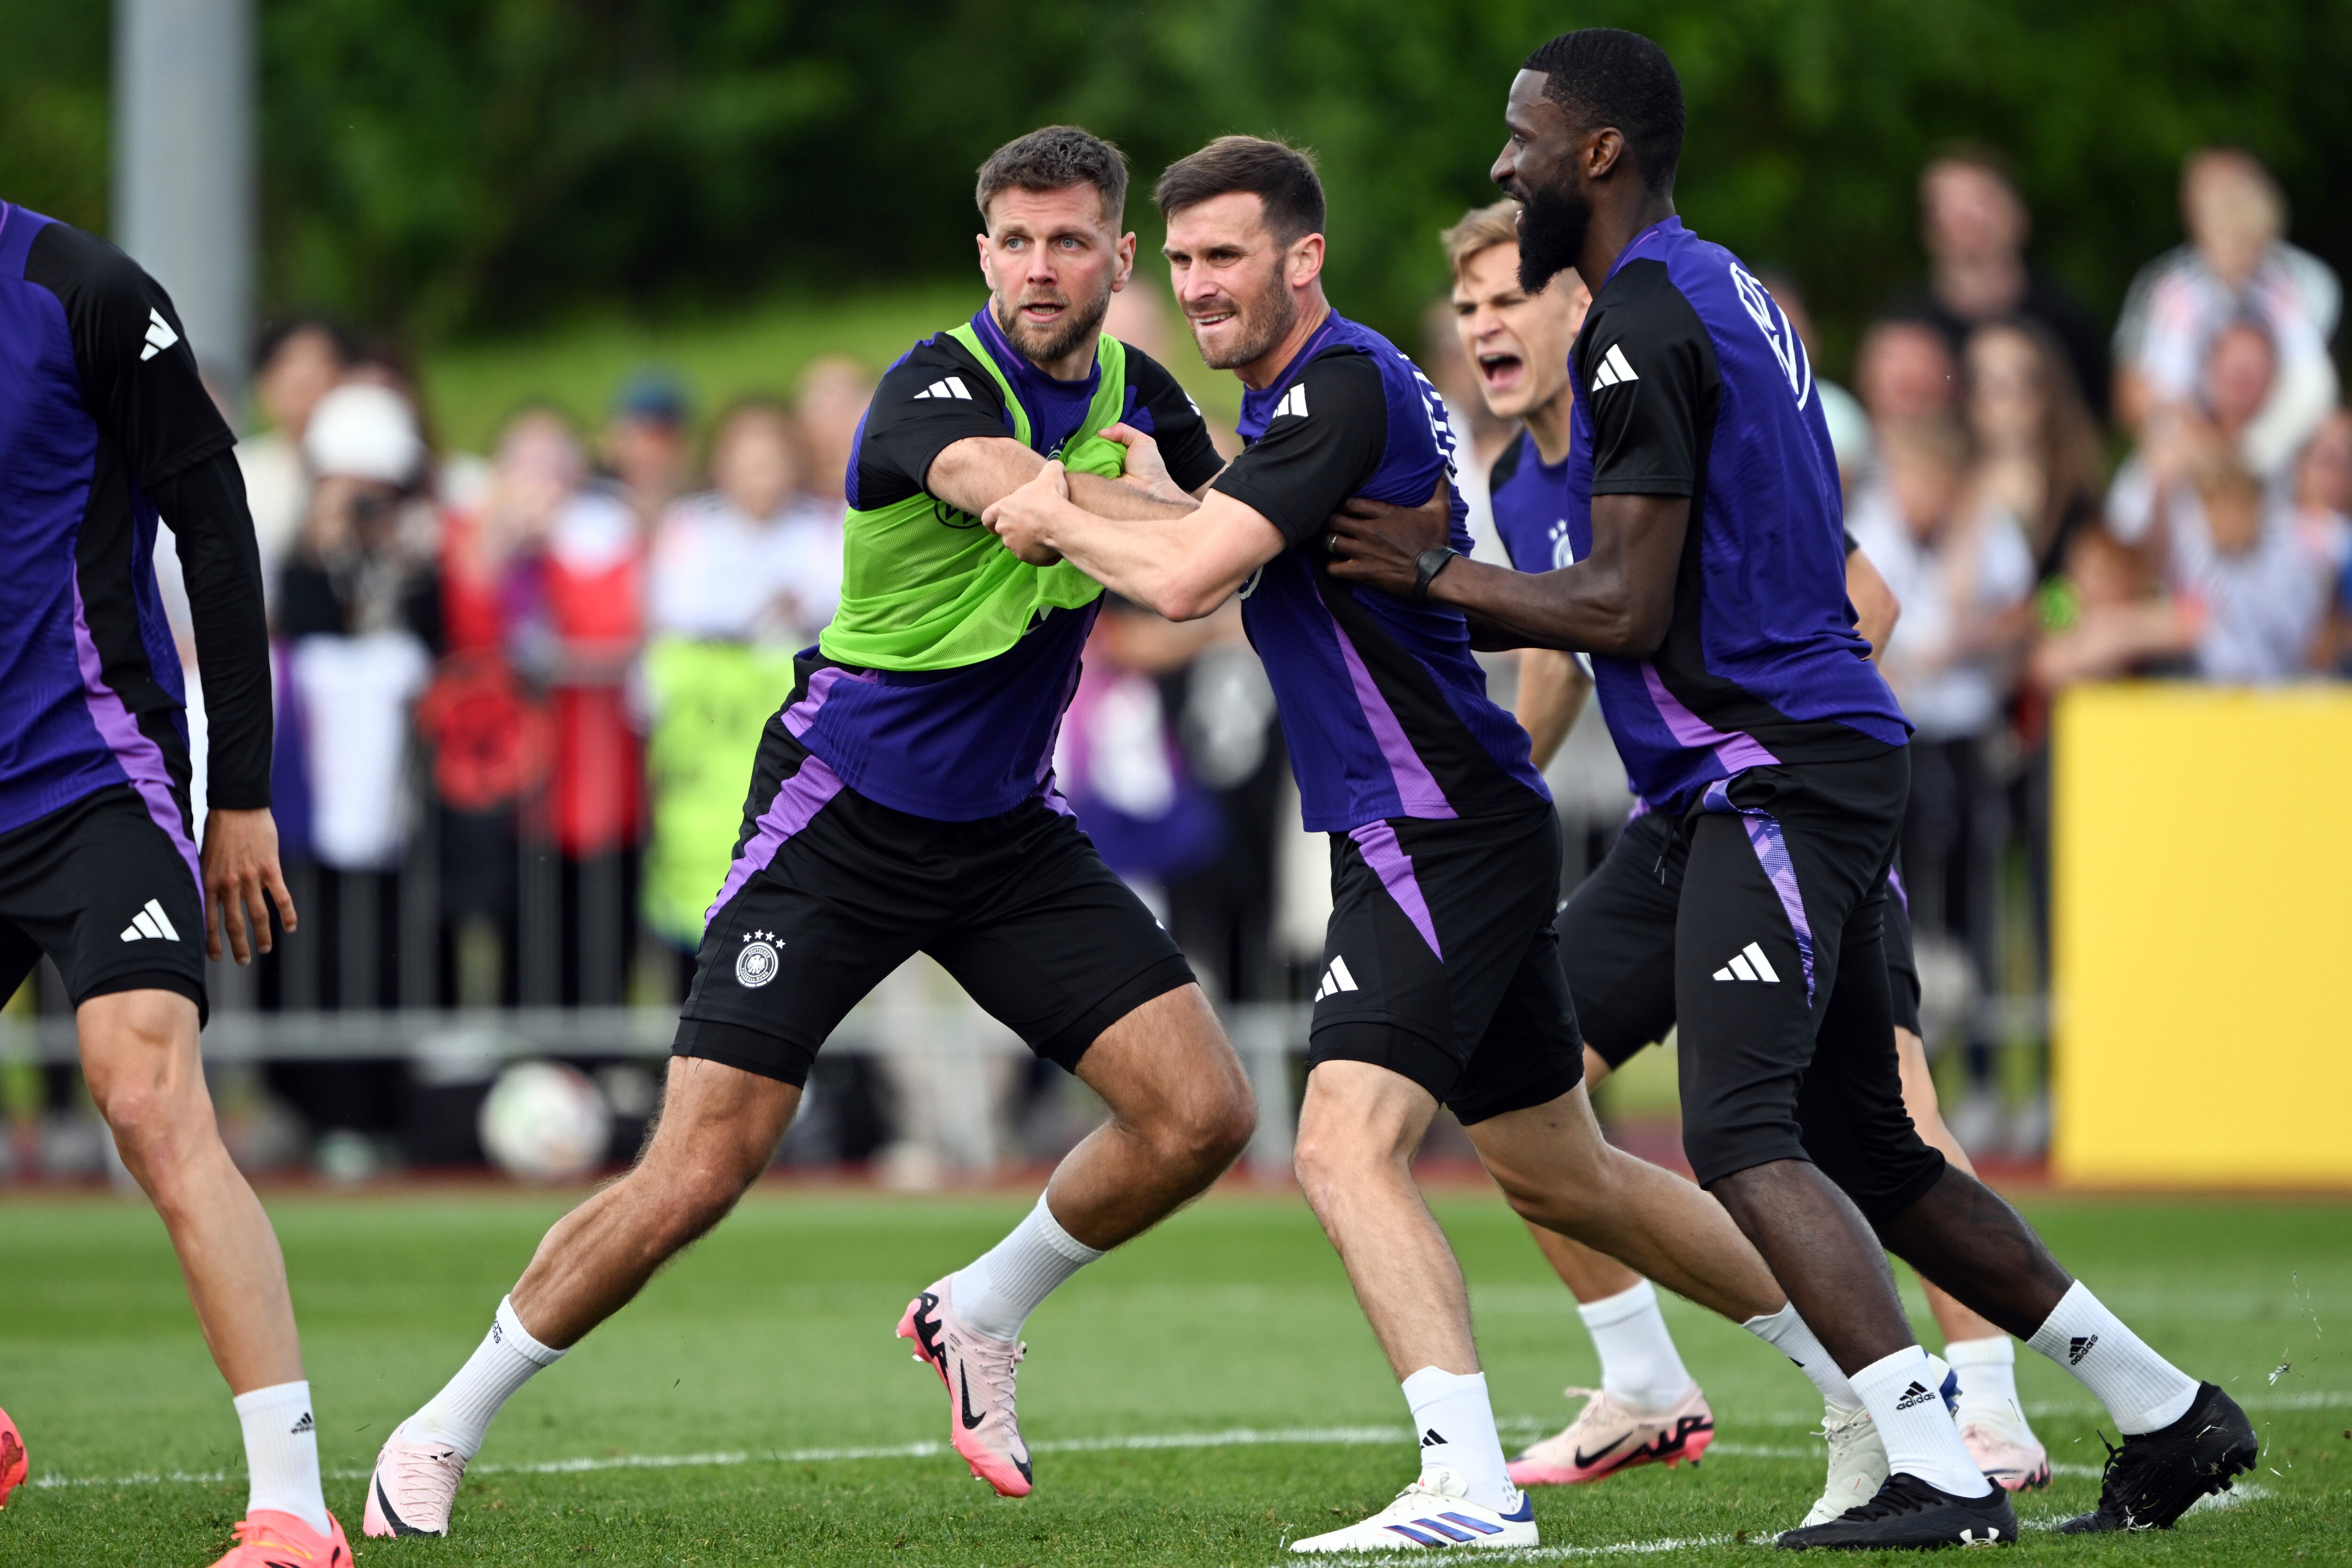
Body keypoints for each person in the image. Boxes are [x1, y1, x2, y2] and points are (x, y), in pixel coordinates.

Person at [1319, 30, 2256, 1547]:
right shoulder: (1715, 283)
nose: (1504, 165)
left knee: (1740, 1131)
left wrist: (1435, 580)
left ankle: (1934, 1470)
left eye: (1524, 137)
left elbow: (1621, 609)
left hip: (1767, 772)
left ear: (1600, 152)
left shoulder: (1633, 322)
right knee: (1865, 1147)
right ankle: (2168, 1412)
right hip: (1755, 775)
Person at [987, 134, 1904, 1557]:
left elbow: (1183, 578)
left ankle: (1465, 1481)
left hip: (1427, 821)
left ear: (1302, 259)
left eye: (1222, 256)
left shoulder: (1341, 384)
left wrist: (1045, 502)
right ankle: (1867, 1388)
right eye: (1175, 261)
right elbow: (1219, 531)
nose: (1196, 285)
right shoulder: (1315, 395)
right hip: (1440, 815)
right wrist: (1120, 499)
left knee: (1341, 1147)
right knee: (1565, 1173)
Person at [362, 126, 1258, 1535]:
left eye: (1069, 239)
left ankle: (977, 1309)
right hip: (839, 820)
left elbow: (1229, 548)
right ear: (982, 254)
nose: (1038, 265)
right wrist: (1162, 511)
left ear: (1116, 257)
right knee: (698, 1168)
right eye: (1015, 240)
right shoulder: (928, 383)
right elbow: (1041, 510)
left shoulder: (1143, 389)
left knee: (1205, 1112)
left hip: (1008, 833)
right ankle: (442, 1421)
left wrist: (1202, 516)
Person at [1446, 199, 2053, 1504]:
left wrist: (1794, 763)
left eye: (1510, 296)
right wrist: (1493, 811)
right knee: (1515, 1085)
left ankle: (1985, 1408)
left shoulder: (1670, 407)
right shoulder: (1517, 478)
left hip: (1787, 804)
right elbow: (1559, 658)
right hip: (1682, 827)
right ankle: (1646, 1382)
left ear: (1575, 305)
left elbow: (1865, 602)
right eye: (1470, 304)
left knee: (1884, 1105)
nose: (1486, 324)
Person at [0, 203, 346, 1562]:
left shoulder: (80, 290)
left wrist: (239, 790)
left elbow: (214, 523)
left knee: (142, 1090)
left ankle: (296, 1508)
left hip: (89, 772)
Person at [2114, 148, 2340, 470]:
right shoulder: (2177, 293)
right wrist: (2206, 441)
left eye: (2247, 237)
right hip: (2193, 440)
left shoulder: (2288, 290)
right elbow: (2165, 382)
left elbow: (2311, 382)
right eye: (2226, 235)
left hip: (2274, 444)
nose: (2236, 248)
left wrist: (2256, 448)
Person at [1883, 150, 2108, 423]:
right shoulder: (1903, 331)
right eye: (1948, 207)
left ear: (2021, 216)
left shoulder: (2065, 319)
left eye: (1983, 200)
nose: (1967, 218)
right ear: (1928, 228)